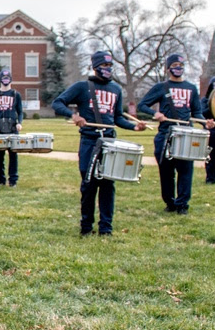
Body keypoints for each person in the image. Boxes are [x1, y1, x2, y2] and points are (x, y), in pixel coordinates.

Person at [52, 50, 146, 236]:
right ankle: (86, 227)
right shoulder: (82, 87)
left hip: (109, 141)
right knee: (88, 184)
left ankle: (106, 228)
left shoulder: (116, 89)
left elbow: (117, 117)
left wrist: (134, 127)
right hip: (89, 141)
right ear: (95, 66)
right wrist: (74, 115)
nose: (108, 69)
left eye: (110, 66)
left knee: (107, 185)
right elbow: (58, 103)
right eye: (104, 66)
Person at [138, 53, 204, 215]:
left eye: (181, 65)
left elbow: (197, 112)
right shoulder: (161, 87)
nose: (178, 68)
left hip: (186, 133)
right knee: (166, 171)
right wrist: (155, 114)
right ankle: (169, 201)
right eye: (174, 65)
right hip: (166, 133)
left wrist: (204, 122)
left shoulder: (191, 88)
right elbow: (142, 105)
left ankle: (182, 204)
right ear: (168, 68)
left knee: (185, 171)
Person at [0, 68, 24, 187]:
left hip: (13, 129)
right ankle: (1, 180)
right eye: (4, 78)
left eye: (7, 78)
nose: (5, 80)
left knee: (13, 155)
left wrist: (19, 123)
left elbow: (20, 112)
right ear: (0, 79)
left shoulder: (16, 95)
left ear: (11, 79)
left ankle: (13, 181)